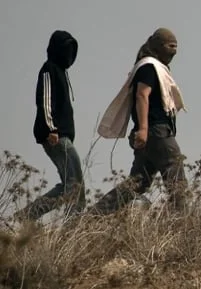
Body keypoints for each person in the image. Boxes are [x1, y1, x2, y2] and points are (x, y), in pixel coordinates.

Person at [91, 27, 187, 215]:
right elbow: (142, 95)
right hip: (157, 132)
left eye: (176, 47)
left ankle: (93, 216)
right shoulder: (149, 66)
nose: (174, 52)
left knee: (137, 183)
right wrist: (143, 129)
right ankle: (182, 223)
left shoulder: (152, 67)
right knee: (177, 180)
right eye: (170, 46)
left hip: (151, 133)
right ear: (159, 46)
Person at [17, 30, 86, 221]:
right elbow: (45, 100)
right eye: (66, 49)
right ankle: (73, 225)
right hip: (55, 135)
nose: (69, 54)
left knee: (70, 185)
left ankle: (29, 215)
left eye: (72, 49)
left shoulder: (61, 71)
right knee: (74, 183)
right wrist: (51, 129)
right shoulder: (49, 69)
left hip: (62, 135)